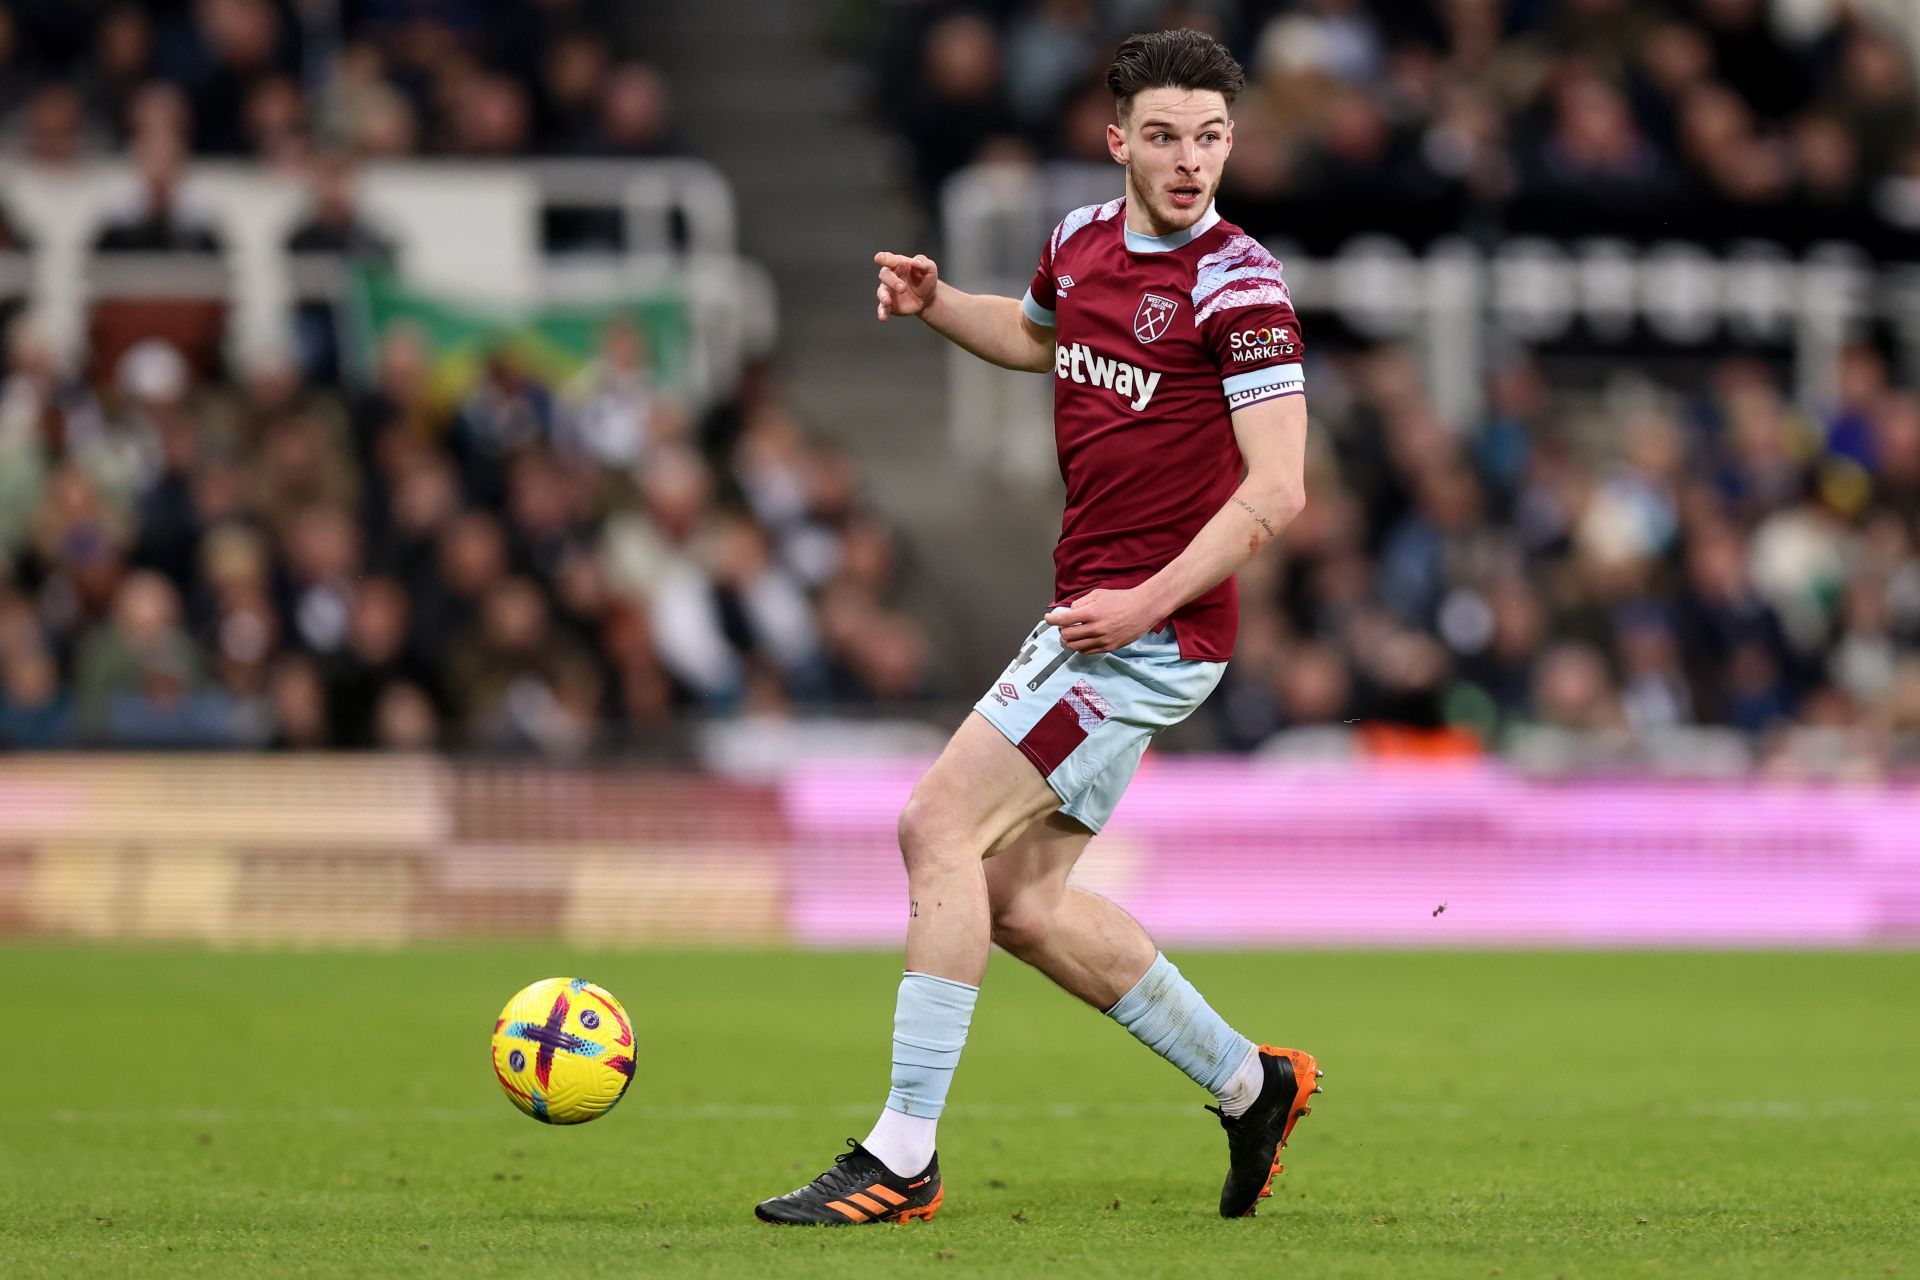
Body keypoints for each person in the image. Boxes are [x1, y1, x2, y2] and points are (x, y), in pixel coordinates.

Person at [756, 29, 1320, 1227]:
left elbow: (1277, 491)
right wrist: (934, 304)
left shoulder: (1243, 285)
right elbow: (1039, 336)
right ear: (1116, 138)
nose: (1189, 161)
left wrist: (1145, 603)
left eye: (1210, 137)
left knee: (934, 821)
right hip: (1098, 615)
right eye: (1164, 136)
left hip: (1145, 634)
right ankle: (1248, 1081)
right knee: (1018, 900)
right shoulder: (1079, 241)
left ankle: (902, 1154)